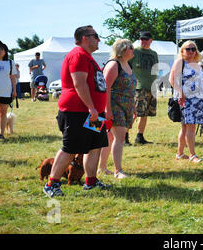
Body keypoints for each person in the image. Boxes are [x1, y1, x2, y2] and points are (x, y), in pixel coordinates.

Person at [43, 25, 109, 197]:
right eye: (96, 36)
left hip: (92, 112)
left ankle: (91, 182)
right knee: (71, 148)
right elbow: (79, 83)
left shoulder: (88, 57)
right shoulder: (78, 55)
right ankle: (52, 184)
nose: (99, 40)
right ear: (85, 38)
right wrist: (91, 107)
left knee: (95, 146)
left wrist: (98, 109)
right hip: (78, 111)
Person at [98, 39, 136, 179]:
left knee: (110, 137)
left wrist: (133, 107)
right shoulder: (114, 64)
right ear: (122, 49)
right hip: (114, 105)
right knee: (119, 138)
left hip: (126, 105)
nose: (133, 50)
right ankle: (118, 170)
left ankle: (101, 168)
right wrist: (107, 110)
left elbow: (130, 88)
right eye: (130, 47)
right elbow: (106, 88)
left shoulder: (127, 64)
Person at [169, 41, 203, 163]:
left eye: (193, 49)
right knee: (190, 127)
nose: (191, 51)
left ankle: (180, 154)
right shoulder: (180, 61)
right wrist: (180, 92)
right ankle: (192, 155)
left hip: (198, 98)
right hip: (186, 98)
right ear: (182, 50)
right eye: (188, 49)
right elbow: (172, 79)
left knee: (186, 127)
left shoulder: (197, 63)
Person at [128, 31, 158, 145]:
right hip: (139, 88)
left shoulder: (154, 53)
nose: (143, 41)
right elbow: (127, 66)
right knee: (135, 113)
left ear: (151, 41)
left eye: (146, 39)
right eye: (142, 39)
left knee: (145, 114)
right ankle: (125, 137)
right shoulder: (134, 51)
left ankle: (139, 137)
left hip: (151, 87)